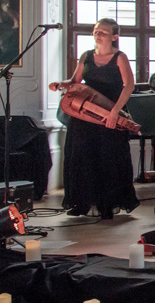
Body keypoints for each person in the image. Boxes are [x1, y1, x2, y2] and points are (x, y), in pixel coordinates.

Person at [49, 18, 139, 219]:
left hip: (108, 112)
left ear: (114, 37)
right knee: (81, 156)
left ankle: (107, 205)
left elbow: (129, 86)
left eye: (103, 32)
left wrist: (115, 111)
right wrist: (60, 84)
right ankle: (81, 203)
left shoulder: (119, 58)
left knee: (107, 158)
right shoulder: (86, 56)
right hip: (84, 114)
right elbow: (75, 82)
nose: (97, 35)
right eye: (96, 31)